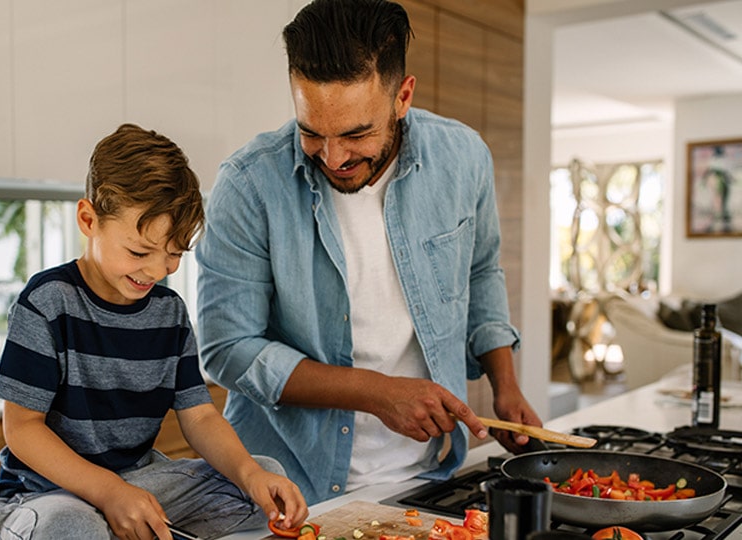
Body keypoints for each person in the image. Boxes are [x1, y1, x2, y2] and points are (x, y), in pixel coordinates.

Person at [196, 0, 542, 505]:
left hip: (429, 476)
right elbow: (227, 349)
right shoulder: (248, 184)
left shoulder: (463, 158)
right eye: (311, 131)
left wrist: (504, 382)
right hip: (288, 486)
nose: (333, 158)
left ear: (402, 96)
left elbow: (481, 270)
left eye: (356, 133)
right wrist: (376, 392)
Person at [0, 123, 308, 540]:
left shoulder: (169, 313)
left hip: (136, 482)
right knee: (73, 526)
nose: (156, 271)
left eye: (173, 255)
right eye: (139, 251)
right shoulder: (48, 302)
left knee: (264, 481)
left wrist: (249, 473)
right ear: (88, 219)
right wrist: (108, 491)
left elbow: (201, 416)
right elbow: (22, 429)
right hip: (44, 495)